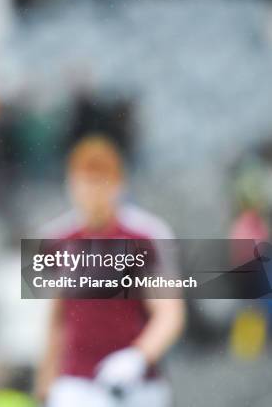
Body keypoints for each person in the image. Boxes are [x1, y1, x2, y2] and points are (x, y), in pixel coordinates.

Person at [34, 135, 185, 407]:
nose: (91, 193)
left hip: (135, 384)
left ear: (118, 184)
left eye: (99, 182)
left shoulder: (145, 236)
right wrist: (46, 377)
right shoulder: (56, 240)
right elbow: (56, 318)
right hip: (77, 382)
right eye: (84, 182)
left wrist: (137, 357)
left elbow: (168, 313)